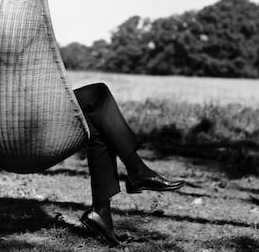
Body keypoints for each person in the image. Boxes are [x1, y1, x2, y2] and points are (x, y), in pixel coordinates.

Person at [73, 82, 184, 247]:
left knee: (100, 129)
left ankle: (101, 212)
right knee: (97, 93)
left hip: (35, 104)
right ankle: (137, 171)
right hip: (36, 108)